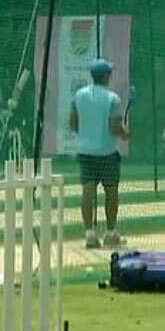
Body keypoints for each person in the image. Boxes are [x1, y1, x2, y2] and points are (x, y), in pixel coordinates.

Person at [70, 59, 129, 248]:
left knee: (87, 191)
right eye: (109, 73)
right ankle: (111, 233)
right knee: (111, 192)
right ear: (105, 76)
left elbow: (73, 123)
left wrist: (87, 135)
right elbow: (114, 128)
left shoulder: (79, 95)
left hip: (85, 151)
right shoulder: (113, 98)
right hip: (107, 152)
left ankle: (90, 234)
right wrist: (125, 133)